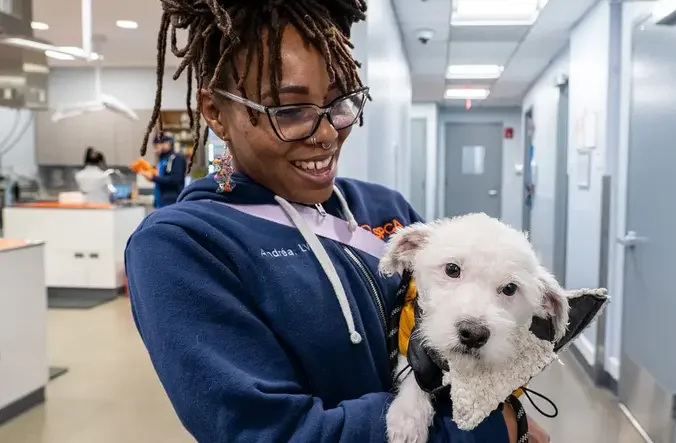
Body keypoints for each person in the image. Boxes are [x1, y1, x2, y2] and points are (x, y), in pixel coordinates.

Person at [125, 0, 550, 442]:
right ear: (215, 112)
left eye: (341, 102)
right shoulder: (183, 246)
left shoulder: (387, 209)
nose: (327, 133)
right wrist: (485, 433)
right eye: (289, 111)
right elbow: (271, 433)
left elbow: (452, 355)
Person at [140, 134, 186, 208]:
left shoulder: (176, 158)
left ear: (166, 144)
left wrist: (153, 178)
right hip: (161, 202)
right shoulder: (162, 160)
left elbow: (175, 179)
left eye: (156, 147)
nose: (155, 151)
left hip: (172, 203)